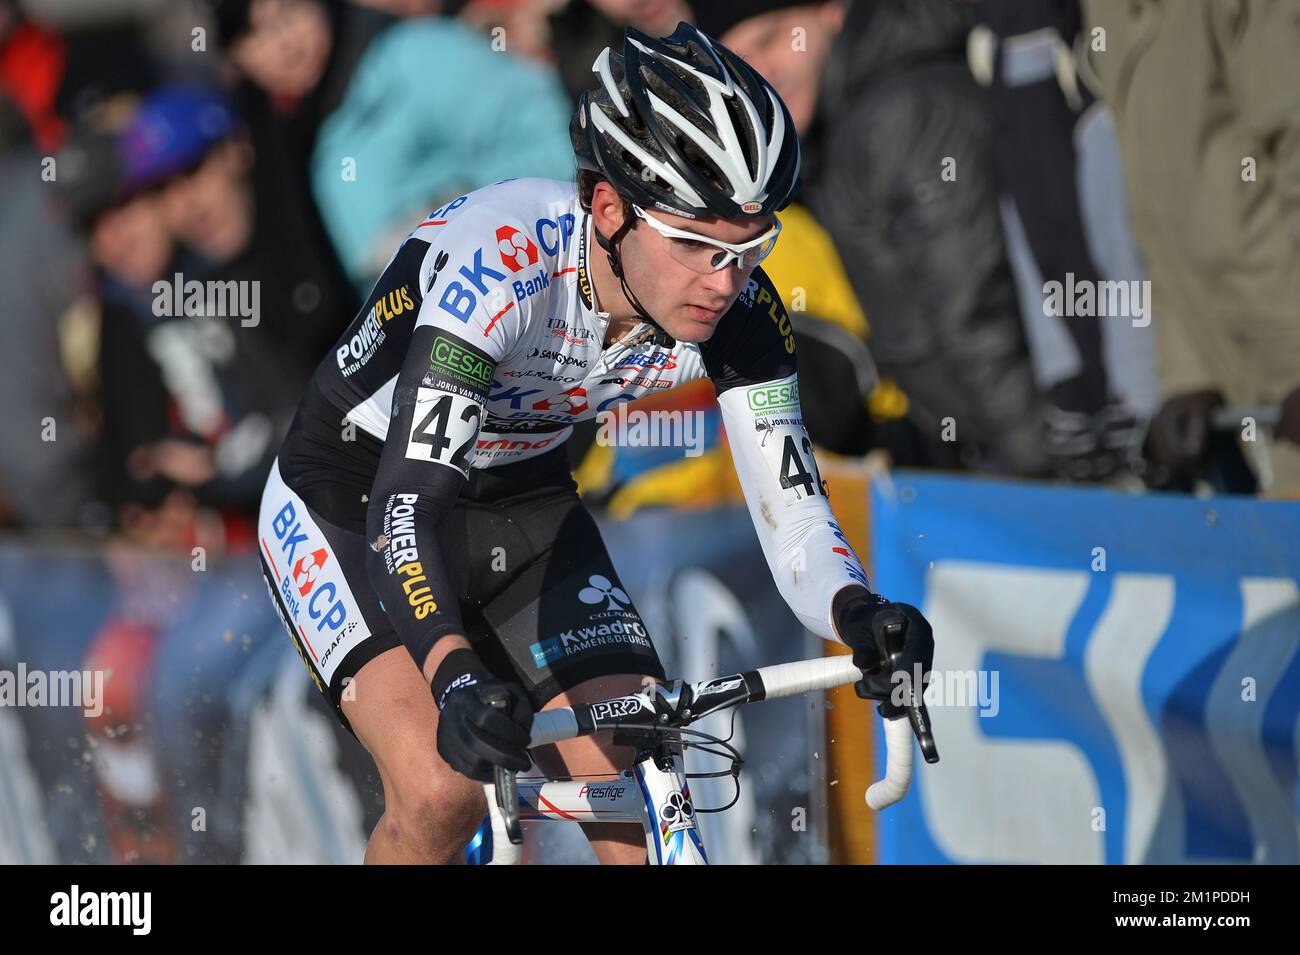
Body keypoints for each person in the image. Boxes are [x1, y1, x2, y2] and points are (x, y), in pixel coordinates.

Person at [256, 22, 934, 864]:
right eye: (693, 244)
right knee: (442, 792)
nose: (722, 283)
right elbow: (407, 509)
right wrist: (458, 675)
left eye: (748, 247)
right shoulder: (500, 273)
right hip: (352, 502)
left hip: (521, 504)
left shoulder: (739, 312)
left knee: (643, 792)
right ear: (608, 208)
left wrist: (858, 611)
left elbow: (793, 519)